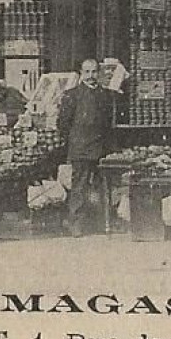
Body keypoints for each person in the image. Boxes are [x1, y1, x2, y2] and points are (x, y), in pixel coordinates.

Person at [57, 59, 115, 237]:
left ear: (99, 73)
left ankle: (103, 224)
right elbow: (63, 123)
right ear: (81, 73)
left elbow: (107, 123)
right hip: (80, 147)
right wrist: (75, 140)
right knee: (79, 187)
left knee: (101, 187)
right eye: (87, 72)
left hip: (100, 147)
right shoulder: (72, 95)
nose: (91, 76)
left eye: (94, 72)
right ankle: (76, 225)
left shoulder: (105, 95)